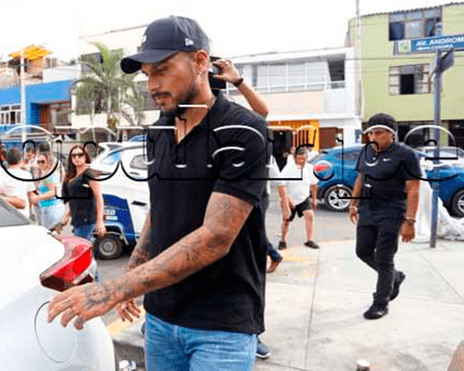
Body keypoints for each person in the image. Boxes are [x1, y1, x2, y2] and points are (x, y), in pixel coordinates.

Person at [47, 16, 268, 370]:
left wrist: (113, 289)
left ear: (200, 61)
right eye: (148, 74)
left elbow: (216, 237)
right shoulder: (159, 131)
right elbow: (160, 207)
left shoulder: (243, 132)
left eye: (162, 70)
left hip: (221, 323)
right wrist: (134, 270)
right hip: (162, 317)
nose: (152, 84)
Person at [212, 59, 279, 362]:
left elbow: (262, 112)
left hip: (250, 203)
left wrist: (238, 80)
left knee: (247, 265)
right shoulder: (186, 120)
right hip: (211, 199)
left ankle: (252, 332)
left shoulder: (241, 123)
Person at [348, 113, 420, 320]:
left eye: (378, 132)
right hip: (367, 210)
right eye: (371, 132)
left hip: (392, 211)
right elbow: (361, 177)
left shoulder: (405, 155)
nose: (373, 136)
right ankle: (394, 277)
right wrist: (353, 204)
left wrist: (410, 221)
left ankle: (381, 302)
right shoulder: (367, 152)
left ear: (391, 134)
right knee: (362, 251)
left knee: (384, 256)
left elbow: (414, 189)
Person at [61, 145, 106, 246]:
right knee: (84, 255)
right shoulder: (71, 176)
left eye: (80, 155)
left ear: (86, 157)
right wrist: (67, 216)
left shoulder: (90, 174)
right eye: (74, 156)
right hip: (77, 222)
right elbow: (76, 201)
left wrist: (100, 221)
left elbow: (99, 198)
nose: (77, 158)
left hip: (88, 222)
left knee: (79, 252)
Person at [277, 147, 320, 250]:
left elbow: (314, 185)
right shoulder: (289, 168)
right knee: (286, 220)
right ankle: (283, 240)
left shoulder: (310, 168)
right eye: (299, 159)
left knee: (309, 215)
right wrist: (286, 201)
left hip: (304, 197)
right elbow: (281, 185)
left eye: (303, 159)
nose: (301, 161)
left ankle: (309, 240)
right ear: (295, 158)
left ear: (307, 158)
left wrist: (314, 199)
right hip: (290, 197)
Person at [31, 151, 66, 232]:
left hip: (53, 210)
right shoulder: (44, 174)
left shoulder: (51, 175)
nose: (40, 164)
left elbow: (52, 192)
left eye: (42, 161)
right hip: (47, 210)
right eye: (38, 162)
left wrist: (37, 197)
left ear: (48, 162)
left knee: (53, 236)